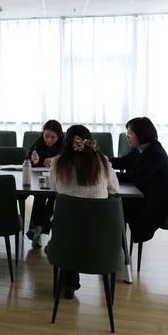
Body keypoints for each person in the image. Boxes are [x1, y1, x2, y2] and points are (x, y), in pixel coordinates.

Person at [48, 124, 119, 300]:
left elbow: (54, 187)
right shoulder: (102, 161)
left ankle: (68, 284)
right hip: (99, 232)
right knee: (82, 223)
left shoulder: (58, 162)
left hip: (66, 233)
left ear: (66, 141)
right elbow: (114, 188)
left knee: (71, 223)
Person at [110, 117, 168, 244]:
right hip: (147, 194)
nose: (127, 136)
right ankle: (117, 247)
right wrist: (102, 160)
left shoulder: (155, 153)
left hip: (158, 202)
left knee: (116, 207)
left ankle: (118, 248)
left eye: (130, 133)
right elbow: (122, 162)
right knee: (116, 205)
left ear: (141, 133)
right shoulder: (140, 148)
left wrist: (108, 175)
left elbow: (136, 178)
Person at [24, 119, 64, 248]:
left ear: (59, 136)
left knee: (54, 198)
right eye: (46, 136)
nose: (49, 140)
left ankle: (36, 229)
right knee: (40, 195)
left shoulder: (64, 146)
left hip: (58, 181)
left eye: (53, 137)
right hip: (39, 180)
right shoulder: (38, 143)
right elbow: (26, 160)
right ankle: (38, 229)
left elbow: (68, 161)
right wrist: (33, 161)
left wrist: (55, 160)